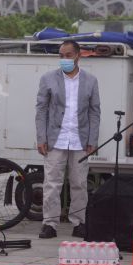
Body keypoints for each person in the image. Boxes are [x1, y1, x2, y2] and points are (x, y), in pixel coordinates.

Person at [35, 40, 100, 239]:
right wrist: (41, 137)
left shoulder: (90, 80)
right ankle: (50, 224)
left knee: (79, 182)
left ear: (78, 55)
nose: (64, 59)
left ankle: (79, 222)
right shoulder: (48, 79)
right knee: (52, 183)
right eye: (61, 55)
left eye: (68, 55)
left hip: (80, 138)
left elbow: (94, 112)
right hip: (56, 138)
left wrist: (93, 139)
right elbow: (41, 109)